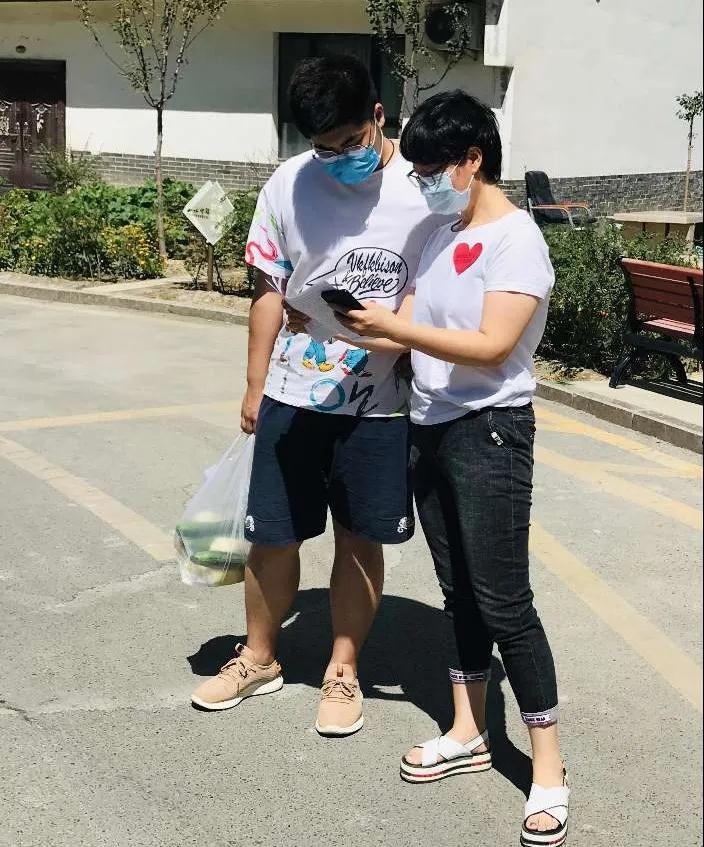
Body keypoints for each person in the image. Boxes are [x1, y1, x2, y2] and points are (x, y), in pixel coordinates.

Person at [337, 90, 570, 846]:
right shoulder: (441, 232)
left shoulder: (516, 240)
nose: (425, 183)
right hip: (429, 425)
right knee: (458, 592)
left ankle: (547, 768)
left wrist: (394, 327)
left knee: (505, 602)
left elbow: (493, 345)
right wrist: (346, 326)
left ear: (473, 160)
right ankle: (469, 730)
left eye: (433, 169)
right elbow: (409, 326)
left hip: (490, 429)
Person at [191, 55, 449, 737]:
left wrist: (394, 330)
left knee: (359, 540)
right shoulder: (288, 183)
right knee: (271, 537)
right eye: (323, 148)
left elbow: (443, 287)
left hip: (380, 404)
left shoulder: (423, 190)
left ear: (379, 116)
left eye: (351, 143)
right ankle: (259, 656)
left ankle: (343, 667)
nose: (338, 159)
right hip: (293, 392)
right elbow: (268, 289)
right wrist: (254, 385)